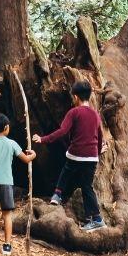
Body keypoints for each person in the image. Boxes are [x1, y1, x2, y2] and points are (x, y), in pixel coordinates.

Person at [34, 81, 105, 232]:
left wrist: (43, 139)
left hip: (76, 153)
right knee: (87, 187)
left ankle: (57, 195)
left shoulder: (74, 112)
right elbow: (100, 136)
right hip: (91, 157)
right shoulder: (95, 115)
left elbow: (62, 131)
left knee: (67, 171)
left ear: (75, 96)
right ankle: (97, 219)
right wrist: (97, 153)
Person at [0, 113, 36, 255]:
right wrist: (33, 155)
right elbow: (26, 159)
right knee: (7, 214)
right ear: (6, 128)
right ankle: (7, 246)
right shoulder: (12, 143)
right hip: (6, 183)